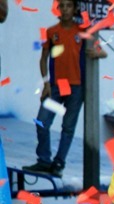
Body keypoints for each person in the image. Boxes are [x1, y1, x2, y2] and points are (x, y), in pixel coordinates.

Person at [22, 0, 107, 177]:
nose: (66, 9)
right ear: (58, 9)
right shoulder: (52, 31)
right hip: (56, 87)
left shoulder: (82, 31)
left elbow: (102, 51)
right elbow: (43, 58)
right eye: (63, 6)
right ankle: (44, 160)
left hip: (76, 87)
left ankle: (59, 162)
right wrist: (46, 84)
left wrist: (98, 53)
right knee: (42, 121)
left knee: (68, 127)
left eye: (69, 5)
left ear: (75, 8)